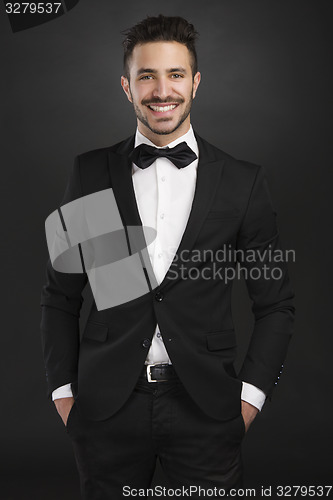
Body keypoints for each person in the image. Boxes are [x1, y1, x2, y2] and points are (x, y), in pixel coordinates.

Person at [41, 14, 295, 499]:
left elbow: (275, 304)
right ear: (126, 86)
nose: (162, 91)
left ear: (195, 83)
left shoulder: (243, 182)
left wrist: (251, 398)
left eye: (175, 74)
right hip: (106, 409)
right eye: (146, 76)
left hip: (207, 407)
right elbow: (60, 295)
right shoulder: (90, 172)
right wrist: (63, 394)